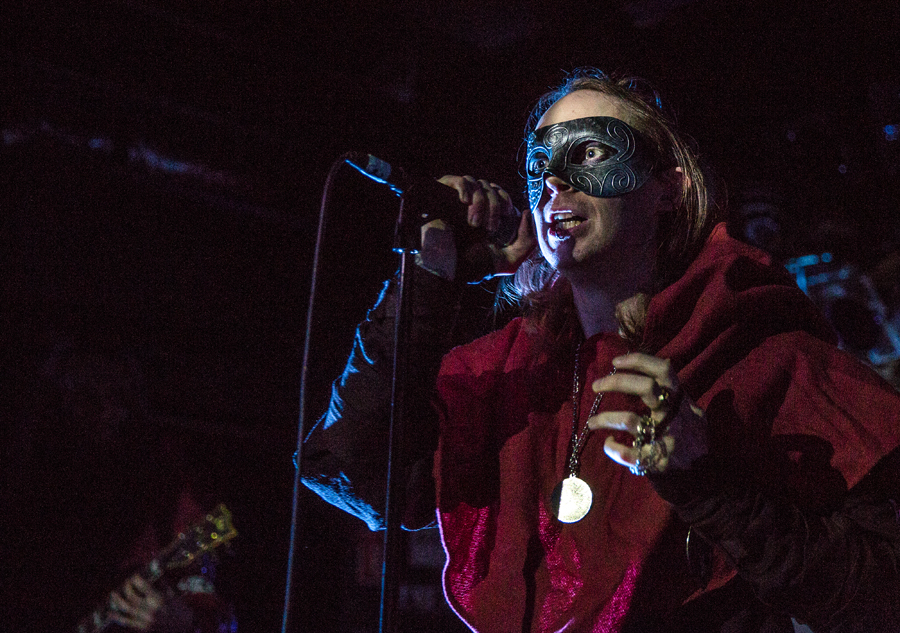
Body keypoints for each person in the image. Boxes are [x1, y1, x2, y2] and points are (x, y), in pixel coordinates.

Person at [300, 69, 900, 632]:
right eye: (539, 165)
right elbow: (352, 469)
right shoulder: (502, 373)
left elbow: (881, 592)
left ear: (669, 188)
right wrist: (429, 275)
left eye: (588, 152)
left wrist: (708, 484)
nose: (554, 181)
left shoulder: (760, 352)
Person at [1, 336, 234, 632]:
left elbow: (218, 618)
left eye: (118, 396)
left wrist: (184, 623)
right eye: (86, 397)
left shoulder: (165, 490)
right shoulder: (26, 490)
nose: (107, 411)